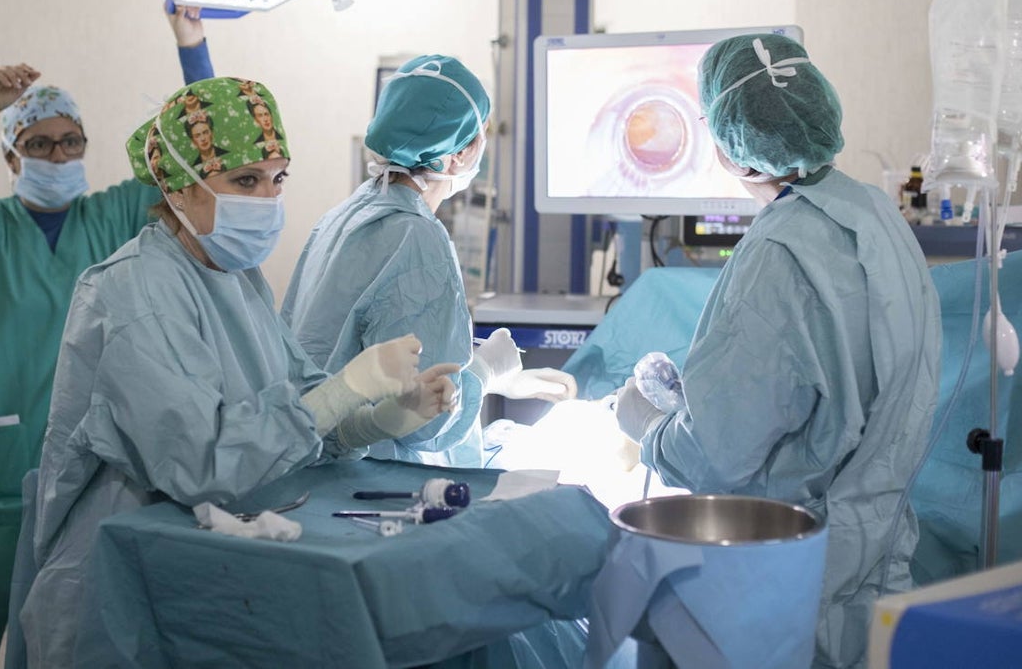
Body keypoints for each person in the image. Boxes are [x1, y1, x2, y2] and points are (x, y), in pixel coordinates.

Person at [19, 76, 458, 666]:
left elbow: (297, 414)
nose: (267, 199)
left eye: (278, 179)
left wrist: (379, 418)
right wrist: (348, 386)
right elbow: (200, 464)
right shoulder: (133, 291)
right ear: (180, 186)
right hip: (130, 580)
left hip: (213, 566)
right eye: (245, 180)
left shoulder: (235, 277)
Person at [0, 11, 215, 669]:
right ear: (11, 156)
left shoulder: (113, 216)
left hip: (88, 483)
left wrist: (192, 47)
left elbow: (202, 158)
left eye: (71, 142)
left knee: (67, 651)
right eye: (39, 145)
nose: (59, 155)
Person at [612, 34, 940, 669]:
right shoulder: (877, 214)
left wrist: (648, 424)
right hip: (875, 566)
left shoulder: (778, 251)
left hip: (786, 580)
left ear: (736, 144)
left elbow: (721, 457)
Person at [281, 54, 578, 468]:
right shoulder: (415, 237)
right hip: (374, 477)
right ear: (459, 154)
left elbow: (365, 339)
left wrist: (488, 375)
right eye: (480, 137)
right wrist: (485, 374)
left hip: (316, 460)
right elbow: (421, 420)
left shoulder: (346, 214)